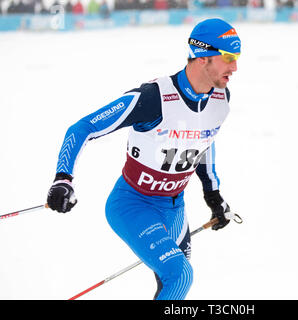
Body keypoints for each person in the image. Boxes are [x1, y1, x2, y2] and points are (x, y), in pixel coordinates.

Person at [46, 18, 241, 300]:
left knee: (173, 282)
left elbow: (204, 142)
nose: (234, 67)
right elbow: (82, 129)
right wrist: (63, 179)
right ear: (201, 57)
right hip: (133, 204)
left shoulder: (220, 99)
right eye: (227, 58)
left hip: (174, 208)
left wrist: (213, 195)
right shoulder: (154, 98)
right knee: (180, 275)